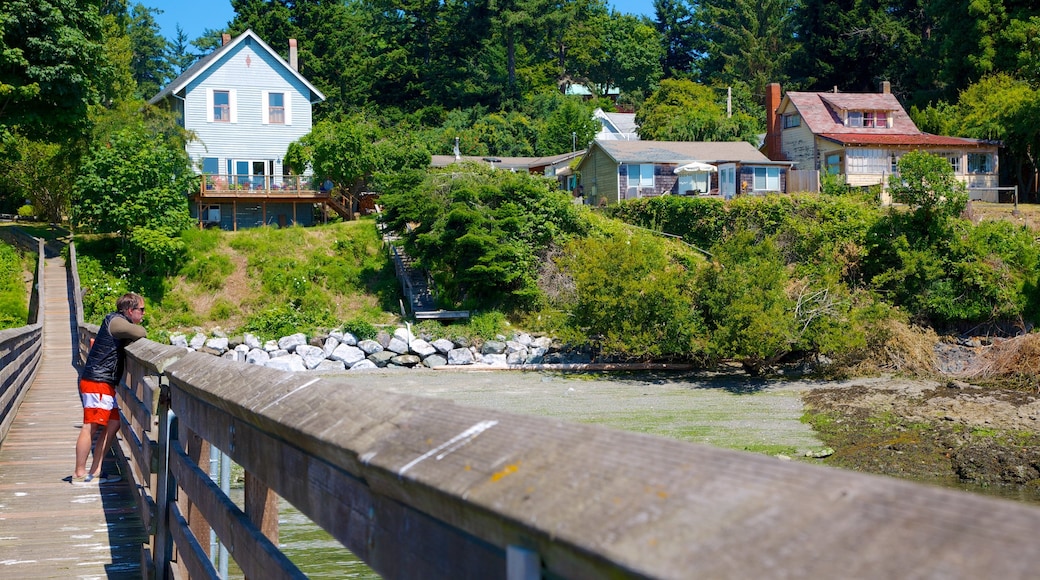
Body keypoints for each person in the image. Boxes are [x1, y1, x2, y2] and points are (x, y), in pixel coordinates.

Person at [72, 292, 146, 485]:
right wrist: (135, 330)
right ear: (130, 310)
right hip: (98, 382)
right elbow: (140, 333)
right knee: (91, 425)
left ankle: (95, 471)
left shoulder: (117, 322)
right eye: (141, 310)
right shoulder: (116, 322)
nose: (144, 314)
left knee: (113, 423)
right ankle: (79, 473)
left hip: (102, 382)